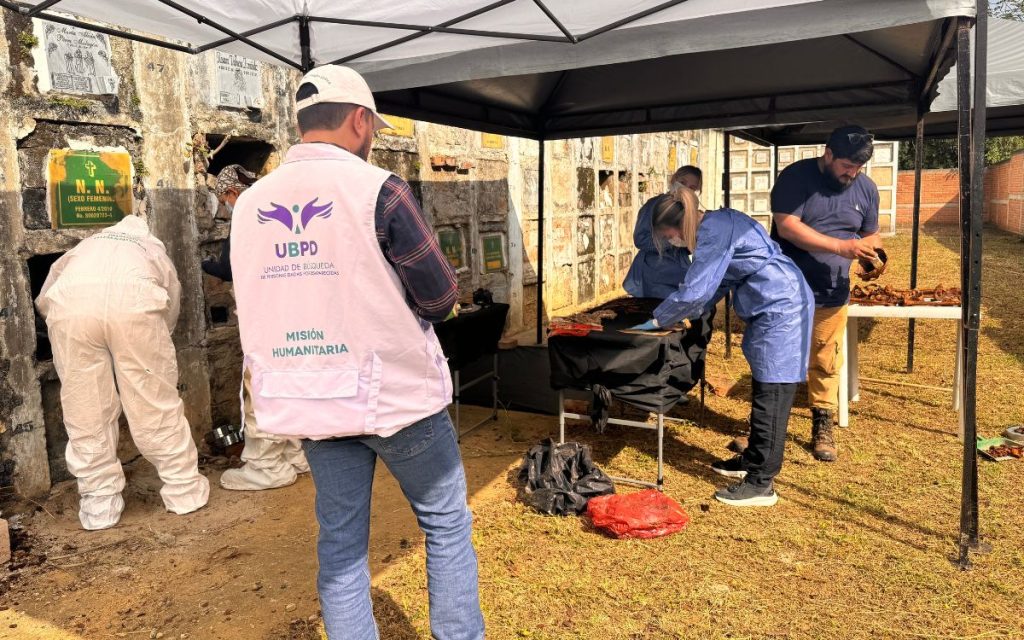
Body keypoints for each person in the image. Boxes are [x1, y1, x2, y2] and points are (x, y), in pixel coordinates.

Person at [229, 65, 484, 639]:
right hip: (395, 397)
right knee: (445, 526)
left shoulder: (250, 203)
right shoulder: (379, 189)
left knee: (341, 544)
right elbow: (442, 298)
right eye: (373, 128)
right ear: (360, 120)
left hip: (311, 399)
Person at [630, 186, 813, 506]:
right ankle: (753, 462)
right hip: (771, 302)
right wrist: (689, 313)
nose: (672, 244)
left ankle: (761, 483)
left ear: (675, 229)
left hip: (781, 306)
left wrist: (659, 319)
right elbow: (720, 282)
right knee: (764, 386)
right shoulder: (718, 222)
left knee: (774, 390)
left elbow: (694, 290)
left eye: (667, 237)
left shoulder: (712, 234)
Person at [35, 215, 210, 530]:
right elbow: (170, 297)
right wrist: (156, 340)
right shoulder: (149, 247)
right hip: (134, 310)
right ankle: (184, 492)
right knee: (153, 402)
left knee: (85, 409)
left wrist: (64, 334)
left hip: (72, 314)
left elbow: (46, 297)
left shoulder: (84, 247)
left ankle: (99, 507)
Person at [770, 125, 884, 462]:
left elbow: (872, 235)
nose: (852, 173)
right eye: (847, 165)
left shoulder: (866, 189)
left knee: (826, 359)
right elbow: (787, 225)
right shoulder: (796, 177)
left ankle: (822, 423)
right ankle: (769, 424)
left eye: (858, 168)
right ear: (828, 153)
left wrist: (876, 258)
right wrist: (840, 246)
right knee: (780, 357)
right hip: (786, 288)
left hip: (832, 289)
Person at [202, 164, 310, 491]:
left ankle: (267, 466)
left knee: (259, 386)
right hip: (294, 313)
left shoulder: (248, 210)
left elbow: (228, 266)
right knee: (288, 382)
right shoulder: (279, 205)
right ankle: (297, 455)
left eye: (225, 200)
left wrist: (201, 263)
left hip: (264, 318)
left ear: (232, 192)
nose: (227, 206)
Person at [623, 165, 703, 299]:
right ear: (673, 180)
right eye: (683, 183)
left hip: (680, 271)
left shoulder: (690, 210)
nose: (686, 189)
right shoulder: (654, 205)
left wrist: (689, 242)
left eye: (692, 187)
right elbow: (640, 239)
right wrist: (670, 242)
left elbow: (689, 247)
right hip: (655, 274)